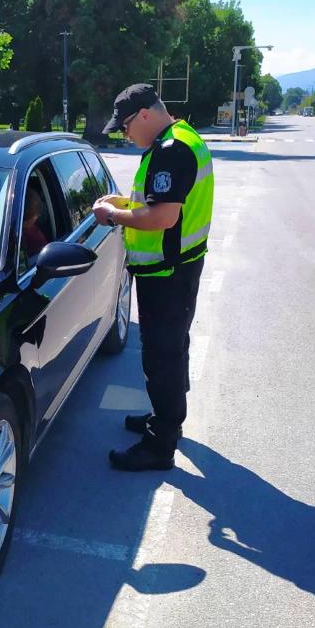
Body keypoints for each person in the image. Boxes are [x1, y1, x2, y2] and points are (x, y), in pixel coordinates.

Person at [93, 84, 213, 472]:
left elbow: (162, 217)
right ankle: (166, 419)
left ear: (144, 114)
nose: (125, 135)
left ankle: (160, 445)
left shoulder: (170, 151)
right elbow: (159, 205)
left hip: (167, 273)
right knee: (172, 349)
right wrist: (126, 205)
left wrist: (113, 216)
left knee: (161, 356)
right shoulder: (183, 137)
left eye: (126, 126)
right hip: (177, 268)